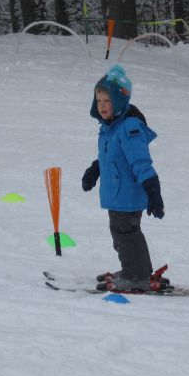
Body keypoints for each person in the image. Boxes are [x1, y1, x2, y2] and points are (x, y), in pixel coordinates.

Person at [81, 65, 165, 292]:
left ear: (119, 101)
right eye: (98, 101)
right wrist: (94, 171)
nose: (102, 106)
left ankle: (135, 275)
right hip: (119, 194)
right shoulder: (110, 128)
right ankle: (138, 270)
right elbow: (110, 157)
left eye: (107, 101)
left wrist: (153, 192)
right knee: (126, 233)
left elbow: (141, 163)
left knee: (124, 235)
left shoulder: (129, 129)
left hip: (127, 194)